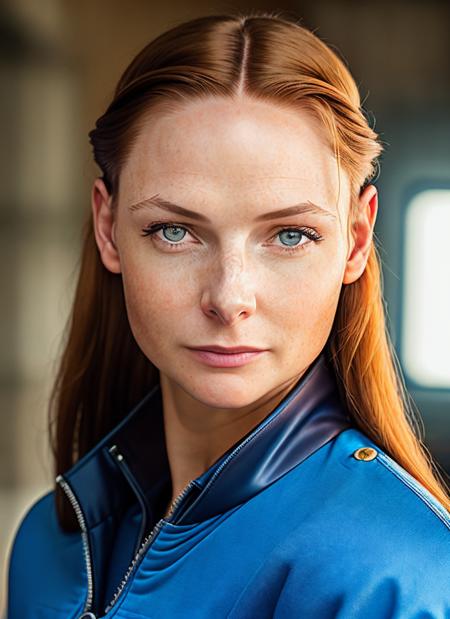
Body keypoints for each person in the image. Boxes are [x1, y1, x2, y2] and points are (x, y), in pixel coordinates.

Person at [7, 10, 450, 619]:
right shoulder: (48, 545)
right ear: (109, 229)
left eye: (290, 236)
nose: (229, 297)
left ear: (354, 240)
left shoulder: (394, 579)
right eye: (174, 231)